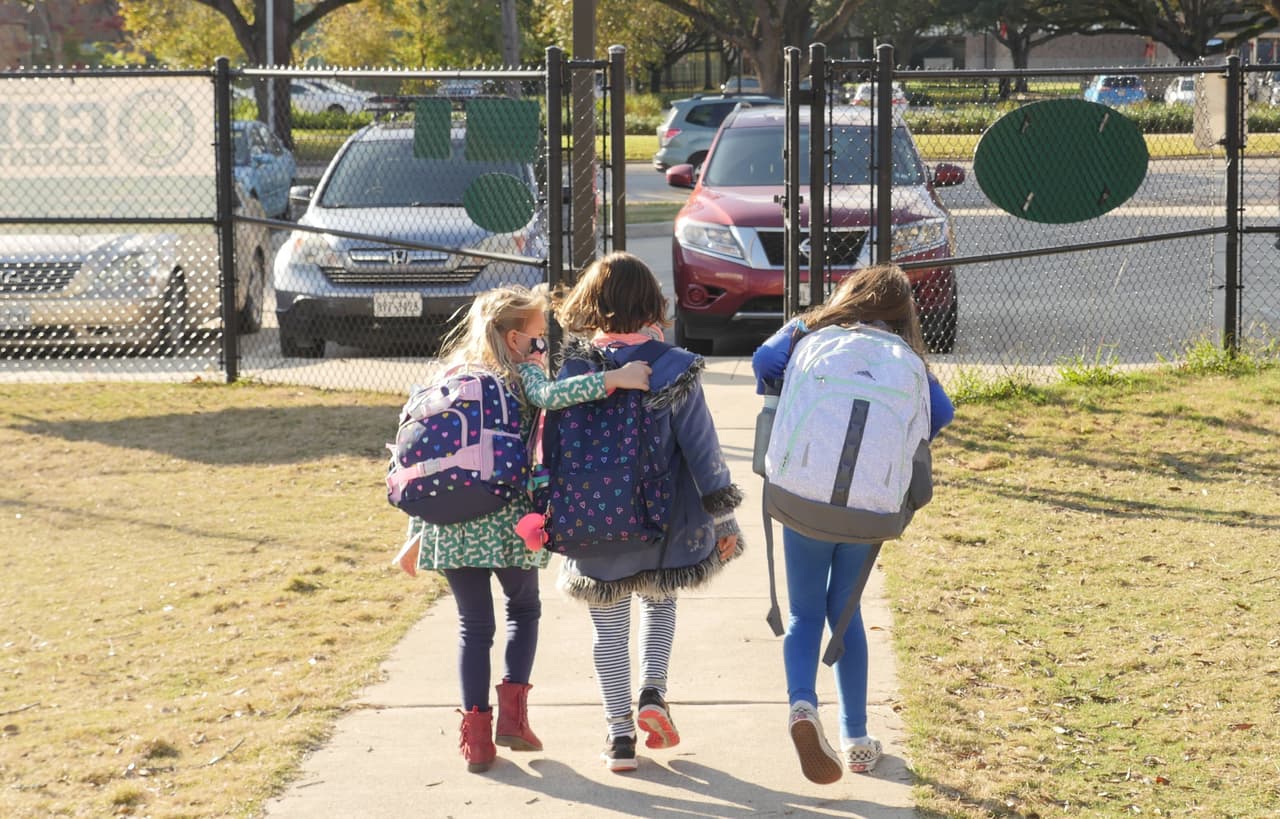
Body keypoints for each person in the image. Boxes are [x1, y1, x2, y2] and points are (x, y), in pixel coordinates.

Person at [404, 284, 652, 774]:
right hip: (506, 518)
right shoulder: (521, 374)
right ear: (514, 339)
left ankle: (477, 740)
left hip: (449, 525)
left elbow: (424, 458)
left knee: (473, 626)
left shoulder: (449, 376)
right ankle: (514, 719)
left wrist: (416, 529)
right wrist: (615, 379)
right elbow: (553, 397)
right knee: (523, 609)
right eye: (539, 339)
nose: (543, 348)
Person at [751, 264, 955, 783]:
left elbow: (764, 360)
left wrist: (808, 321)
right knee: (846, 615)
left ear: (849, 297)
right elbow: (942, 413)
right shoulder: (907, 360)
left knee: (804, 614)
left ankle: (802, 706)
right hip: (870, 508)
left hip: (802, 497)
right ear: (902, 313)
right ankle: (857, 739)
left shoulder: (814, 338)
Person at [550, 251, 745, 773]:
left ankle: (619, 737)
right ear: (654, 304)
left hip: (593, 521)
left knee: (608, 629)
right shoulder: (673, 368)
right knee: (659, 604)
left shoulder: (573, 371)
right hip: (663, 523)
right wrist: (724, 519)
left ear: (591, 303)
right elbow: (703, 451)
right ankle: (653, 692)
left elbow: (550, 448)